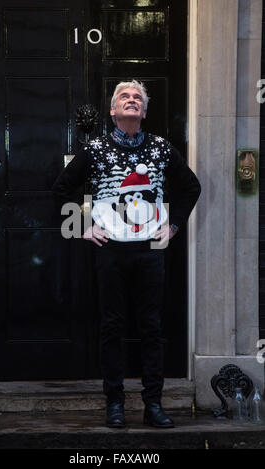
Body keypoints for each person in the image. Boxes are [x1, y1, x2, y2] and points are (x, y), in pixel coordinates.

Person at [52, 80, 201, 429]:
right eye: (125, 97)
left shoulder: (162, 149)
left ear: (144, 111)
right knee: (112, 327)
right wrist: (85, 226)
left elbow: (191, 187)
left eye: (138, 99)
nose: (132, 101)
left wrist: (174, 225)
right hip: (111, 252)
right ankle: (115, 404)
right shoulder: (95, 149)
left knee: (151, 327)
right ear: (113, 111)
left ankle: (153, 405)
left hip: (150, 250)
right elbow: (61, 189)